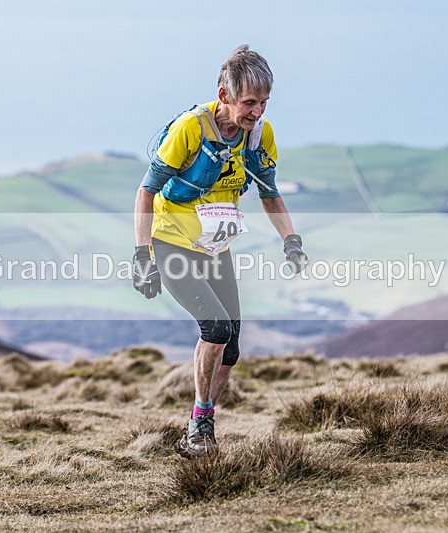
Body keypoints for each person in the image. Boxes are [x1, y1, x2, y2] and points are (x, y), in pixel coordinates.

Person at [132, 44, 307, 457]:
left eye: (264, 102)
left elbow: (270, 193)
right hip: (171, 243)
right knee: (216, 329)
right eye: (249, 102)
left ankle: (199, 423)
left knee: (232, 346)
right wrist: (142, 258)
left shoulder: (260, 135)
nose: (257, 112)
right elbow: (145, 191)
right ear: (224, 95)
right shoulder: (190, 130)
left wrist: (291, 240)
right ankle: (200, 428)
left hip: (214, 248)